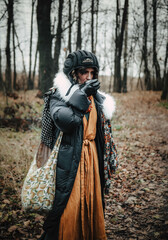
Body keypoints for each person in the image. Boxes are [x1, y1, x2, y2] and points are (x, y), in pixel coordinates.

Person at [39, 50, 118, 240]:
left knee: (92, 202)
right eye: (84, 72)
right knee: (68, 207)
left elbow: (102, 134)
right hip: (69, 161)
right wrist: (81, 95)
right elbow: (65, 120)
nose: (88, 77)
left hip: (92, 159)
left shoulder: (96, 97)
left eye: (92, 73)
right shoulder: (59, 94)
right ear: (74, 73)